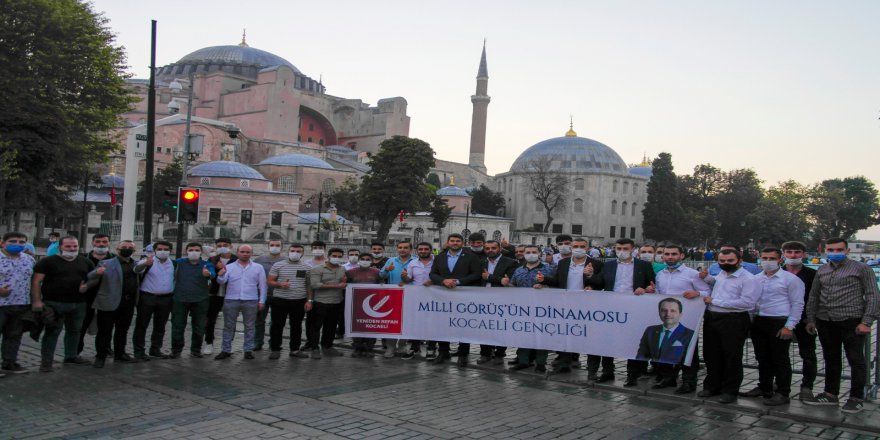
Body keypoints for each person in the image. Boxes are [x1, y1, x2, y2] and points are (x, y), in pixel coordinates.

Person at [802, 237, 880, 413]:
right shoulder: (822, 270)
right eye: (831, 250)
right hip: (826, 320)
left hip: (850, 320)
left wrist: (867, 321)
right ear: (826, 251)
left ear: (847, 251)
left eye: (839, 250)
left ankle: (855, 397)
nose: (834, 253)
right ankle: (830, 394)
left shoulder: (862, 268)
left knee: (856, 360)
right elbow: (814, 296)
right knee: (831, 358)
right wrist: (811, 319)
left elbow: (873, 295)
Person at [741, 247, 805, 406]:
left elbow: (798, 304)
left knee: (780, 358)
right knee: (762, 356)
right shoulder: (755, 278)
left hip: (779, 321)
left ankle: (783, 392)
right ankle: (765, 387)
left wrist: (789, 326)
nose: (767, 262)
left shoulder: (791, 280)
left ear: (780, 260)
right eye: (764, 258)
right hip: (759, 320)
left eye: (771, 258)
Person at [589, 238, 656, 385]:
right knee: (608, 341)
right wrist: (590, 276)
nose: (622, 251)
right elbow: (599, 282)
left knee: (633, 342)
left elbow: (652, 284)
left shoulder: (643, 265)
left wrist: (646, 289)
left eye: (625, 249)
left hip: (634, 308)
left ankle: (632, 375)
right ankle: (607, 371)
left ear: (632, 249)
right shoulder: (609, 265)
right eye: (619, 248)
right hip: (611, 309)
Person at [699, 249, 761, 404]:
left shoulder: (749, 279)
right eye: (722, 261)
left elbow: (746, 303)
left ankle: (730, 390)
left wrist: (714, 301)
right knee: (711, 353)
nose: (726, 264)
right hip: (713, 316)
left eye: (730, 261)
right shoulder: (722, 274)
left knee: (731, 355)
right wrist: (707, 278)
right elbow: (718, 284)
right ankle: (712, 386)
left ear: (739, 260)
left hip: (733, 318)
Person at [31, 236, 95, 372]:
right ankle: (46, 362)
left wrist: (87, 286)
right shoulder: (47, 262)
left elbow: (93, 278)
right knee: (52, 332)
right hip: (54, 303)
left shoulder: (85, 262)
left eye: (75, 246)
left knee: (75, 331)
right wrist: (37, 301)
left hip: (78, 304)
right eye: (68, 246)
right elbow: (36, 281)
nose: (72, 249)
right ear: (60, 247)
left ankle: (71, 356)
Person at [653, 244, 711, 393]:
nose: (670, 257)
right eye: (667, 254)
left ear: (681, 256)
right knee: (666, 347)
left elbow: (707, 291)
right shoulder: (661, 274)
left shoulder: (692, 274)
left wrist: (697, 294)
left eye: (674, 254)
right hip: (666, 318)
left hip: (687, 318)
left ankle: (689, 381)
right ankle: (668, 377)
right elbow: (659, 293)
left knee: (688, 350)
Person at [550, 237, 603, 372]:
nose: (578, 249)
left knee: (587, 334)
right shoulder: (563, 263)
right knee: (566, 333)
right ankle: (564, 363)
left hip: (587, 304)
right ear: (571, 248)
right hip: (566, 303)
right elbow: (557, 281)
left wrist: (591, 280)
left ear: (587, 248)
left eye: (582, 246)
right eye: (575, 246)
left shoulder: (596, 264)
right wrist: (543, 280)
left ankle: (589, 367)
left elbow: (602, 283)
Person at [429, 233, 482, 365]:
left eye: (458, 241)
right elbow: (433, 273)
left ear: (462, 243)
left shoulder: (471, 257)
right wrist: (443, 281)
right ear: (448, 242)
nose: (455, 243)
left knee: (463, 325)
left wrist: (458, 281)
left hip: (464, 296)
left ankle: (463, 354)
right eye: (452, 241)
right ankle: (443, 352)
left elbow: (476, 274)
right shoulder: (440, 257)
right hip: (443, 296)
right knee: (442, 325)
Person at [88, 240, 140, 368]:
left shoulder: (137, 264)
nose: (127, 249)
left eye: (130, 247)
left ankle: (120, 353)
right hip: (109, 302)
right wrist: (96, 272)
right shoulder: (106, 263)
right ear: (117, 249)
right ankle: (100, 356)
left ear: (134, 251)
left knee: (122, 330)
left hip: (128, 303)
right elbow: (91, 276)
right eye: (124, 247)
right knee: (104, 331)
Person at [780, 240, 819, 401]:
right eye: (789, 252)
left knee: (808, 354)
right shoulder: (777, 272)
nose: (793, 255)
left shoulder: (812, 274)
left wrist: (812, 319)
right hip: (781, 319)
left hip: (804, 320)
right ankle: (780, 384)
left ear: (803, 254)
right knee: (779, 355)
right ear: (783, 254)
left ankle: (807, 386)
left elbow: (815, 298)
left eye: (796, 252)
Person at [214, 245, 267, 360]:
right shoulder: (230, 266)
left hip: (251, 299)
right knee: (228, 326)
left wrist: (262, 301)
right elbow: (221, 282)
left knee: (250, 326)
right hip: (232, 299)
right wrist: (220, 274)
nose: (245, 254)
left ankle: (248, 350)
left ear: (251, 253)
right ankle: (225, 350)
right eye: (242, 252)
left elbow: (263, 286)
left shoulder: (258, 267)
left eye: (247, 252)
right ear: (237, 253)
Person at [509, 245, 555, 373]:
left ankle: (540, 363)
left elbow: (557, 285)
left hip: (543, 309)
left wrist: (545, 285)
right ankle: (523, 361)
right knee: (523, 335)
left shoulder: (549, 269)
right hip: (523, 308)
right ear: (523, 254)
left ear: (540, 253)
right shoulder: (518, 270)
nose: (531, 254)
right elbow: (513, 285)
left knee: (542, 336)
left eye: (534, 252)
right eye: (528, 252)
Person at [169, 243, 217, 358]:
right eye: (191, 250)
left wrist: (208, 274)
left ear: (201, 252)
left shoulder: (206, 264)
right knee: (177, 326)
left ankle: (196, 350)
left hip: (200, 299)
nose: (194, 252)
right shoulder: (180, 262)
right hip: (180, 298)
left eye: (196, 250)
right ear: (187, 251)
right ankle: (176, 350)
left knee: (199, 326)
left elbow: (212, 274)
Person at [132, 240, 175, 360]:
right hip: (147, 297)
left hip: (166, 299)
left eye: (166, 249)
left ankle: (155, 349)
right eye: (160, 249)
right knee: (142, 325)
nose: (163, 251)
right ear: (155, 250)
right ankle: (139, 351)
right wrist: (145, 264)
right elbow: (136, 270)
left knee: (160, 326)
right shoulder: (148, 261)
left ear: (170, 251)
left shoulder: (174, 263)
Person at [476, 240, 518, 365]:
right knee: (484, 327)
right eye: (487, 248)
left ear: (499, 248)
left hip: (502, 300)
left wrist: (490, 277)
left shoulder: (511, 262)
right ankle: (485, 353)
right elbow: (477, 278)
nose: (490, 250)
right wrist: (499, 279)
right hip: (483, 299)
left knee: (501, 327)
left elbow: (508, 281)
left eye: (493, 248)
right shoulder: (480, 262)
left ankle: (499, 354)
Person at [266, 244, 311, 360]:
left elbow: (308, 286)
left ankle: (295, 349)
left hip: (299, 300)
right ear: (288, 251)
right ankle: (275, 349)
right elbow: (270, 281)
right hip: (280, 299)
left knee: (296, 326)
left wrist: (309, 300)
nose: (295, 253)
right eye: (293, 250)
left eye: (298, 251)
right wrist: (280, 284)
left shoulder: (307, 267)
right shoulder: (278, 265)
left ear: (302, 253)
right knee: (277, 325)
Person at [0, 232, 35, 375]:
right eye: (13, 241)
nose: (18, 244)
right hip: (1, 304)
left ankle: (10, 362)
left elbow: (33, 280)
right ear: (2, 243)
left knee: (14, 335)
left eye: (22, 242)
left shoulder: (29, 259)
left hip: (21, 303)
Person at [76, 233, 115, 355]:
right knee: (82, 325)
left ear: (109, 243)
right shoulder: (82, 259)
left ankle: (105, 349)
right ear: (92, 243)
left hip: (107, 297)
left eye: (104, 242)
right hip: (86, 298)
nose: (101, 244)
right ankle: (76, 350)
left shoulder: (114, 259)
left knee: (106, 327)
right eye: (98, 242)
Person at [305, 248, 347, 359]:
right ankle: (314, 348)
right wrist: (335, 286)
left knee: (331, 327)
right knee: (315, 327)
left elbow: (344, 282)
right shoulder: (317, 269)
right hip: (320, 302)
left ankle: (327, 346)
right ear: (328, 256)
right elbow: (314, 285)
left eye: (339, 256)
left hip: (336, 302)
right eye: (334, 256)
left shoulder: (342, 269)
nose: (336, 258)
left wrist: (343, 282)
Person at [379, 242, 416, 358]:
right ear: (397, 249)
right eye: (400, 248)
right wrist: (386, 269)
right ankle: (390, 347)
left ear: (410, 249)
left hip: (410, 296)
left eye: (405, 248)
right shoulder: (391, 260)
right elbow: (381, 276)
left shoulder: (415, 261)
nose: (402, 250)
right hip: (393, 296)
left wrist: (407, 282)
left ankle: (402, 345)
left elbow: (420, 278)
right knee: (392, 323)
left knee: (406, 323)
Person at [401, 242, 435, 359]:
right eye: (421, 249)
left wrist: (433, 281)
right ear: (417, 251)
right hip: (418, 297)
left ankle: (431, 348)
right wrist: (404, 277)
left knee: (433, 323)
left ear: (431, 250)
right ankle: (414, 347)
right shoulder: (413, 263)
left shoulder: (437, 261)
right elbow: (408, 279)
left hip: (435, 297)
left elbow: (442, 275)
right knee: (416, 322)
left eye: (426, 249)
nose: (423, 251)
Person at [636, 298, 696, 365]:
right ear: (659, 313)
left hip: (673, 372)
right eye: (664, 310)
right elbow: (642, 355)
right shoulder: (650, 330)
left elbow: (691, 361)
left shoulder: (690, 334)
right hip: (653, 372)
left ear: (680, 314)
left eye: (673, 311)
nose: (668, 314)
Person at [345, 253, 382, 358]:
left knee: (371, 326)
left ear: (371, 261)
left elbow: (382, 285)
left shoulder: (377, 272)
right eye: (363, 259)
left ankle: (370, 348)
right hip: (355, 303)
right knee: (357, 326)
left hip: (372, 304)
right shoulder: (350, 272)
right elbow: (345, 285)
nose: (365, 261)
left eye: (368, 259)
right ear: (359, 260)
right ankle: (357, 348)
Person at [204, 238, 235, 355]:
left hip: (231, 294)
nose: (222, 247)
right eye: (220, 245)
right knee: (210, 320)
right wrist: (216, 269)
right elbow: (208, 275)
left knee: (230, 321)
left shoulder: (236, 259)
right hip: (214, 293)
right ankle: (209, 343)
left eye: (225, 245)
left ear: (231, 246)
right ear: (216, 247)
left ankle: (228, 344)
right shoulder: (212, 259)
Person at [253, 239, 286, 351]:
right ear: (268, 246)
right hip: (261, 295)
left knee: (277, 322)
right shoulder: (259, 260)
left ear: (282, 247)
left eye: (277, 245)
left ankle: (274, 343)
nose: (274, 247)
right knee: (259, 320)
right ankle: (257, 342)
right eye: (272, 245)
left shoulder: (286, 260)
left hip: (279, 295)